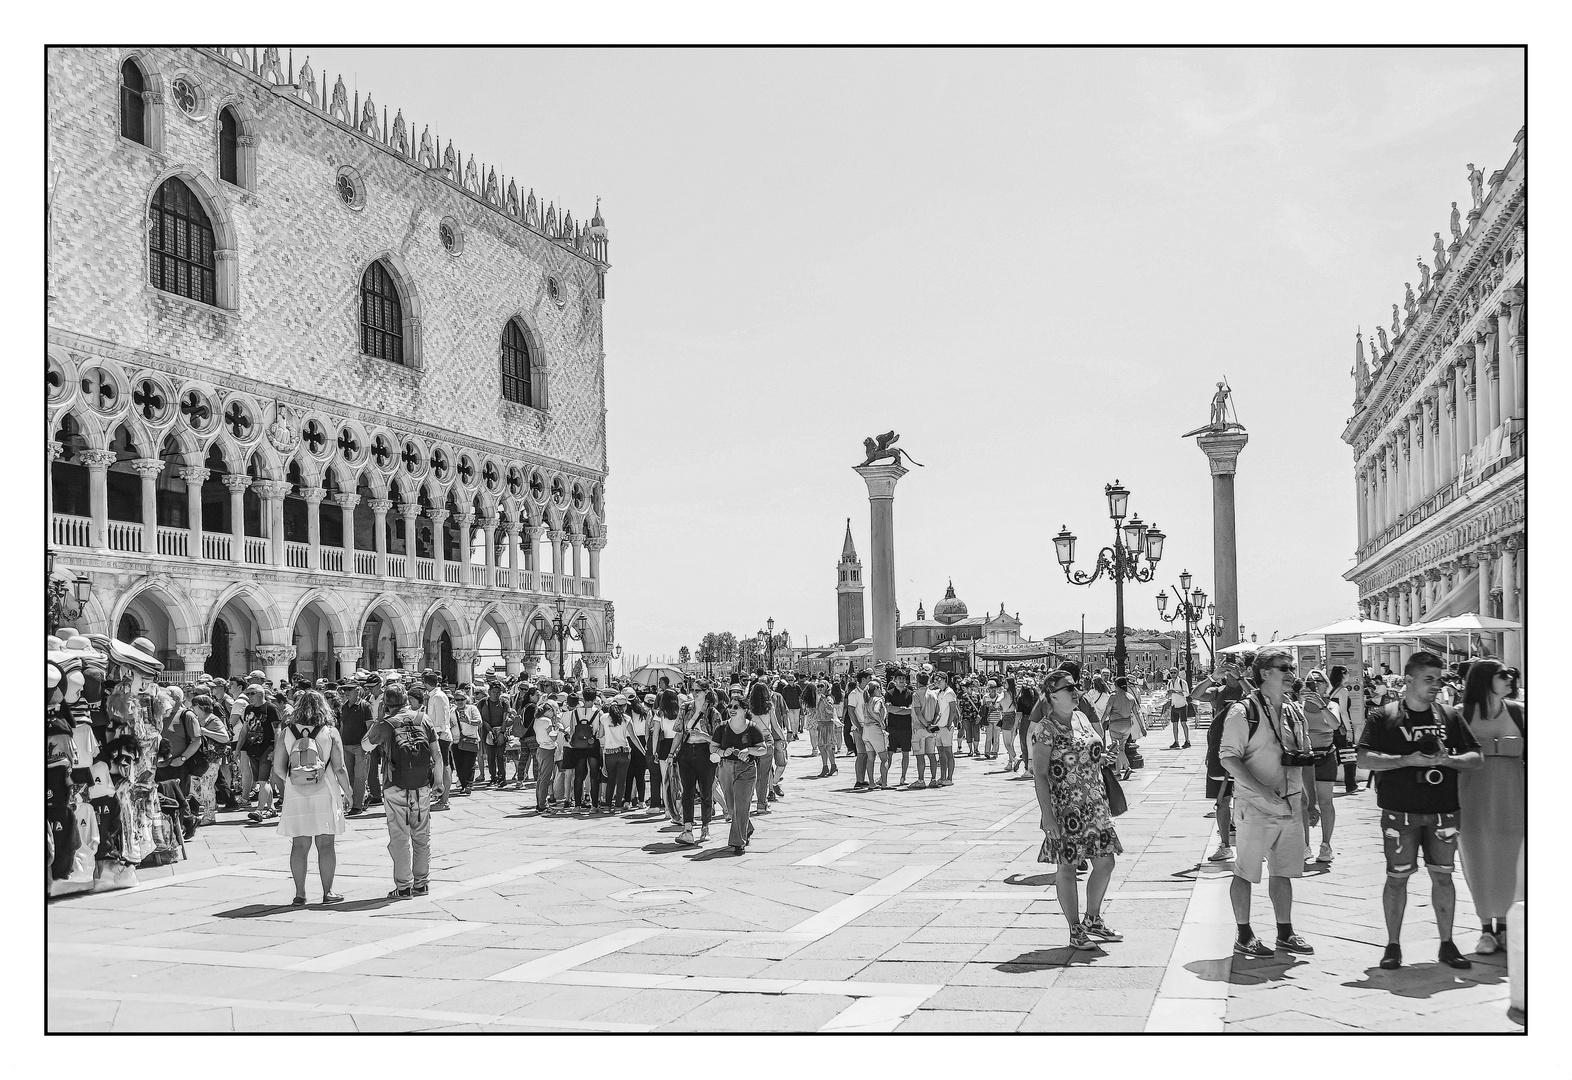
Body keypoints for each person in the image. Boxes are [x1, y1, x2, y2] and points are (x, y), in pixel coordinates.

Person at [1356, 651, 1483, 971]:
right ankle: (1393, 945)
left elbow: (1476, 759)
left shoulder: (1450, 716)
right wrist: (1406, 760)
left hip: (1443, 811)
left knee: (1443, 877)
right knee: (1396, 879)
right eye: (1429, 680)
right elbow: (1364, 759)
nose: (1436, 686)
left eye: (1438, 680)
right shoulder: (1384, 716)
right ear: (1409, 680)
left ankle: (1447, 943)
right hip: (1400, 812)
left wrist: (1448, 760)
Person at [1217, 647, 1317, 959]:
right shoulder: (1243, 711)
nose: (1291, 673)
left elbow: (1305, 756)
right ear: (1264, 673)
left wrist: (1309, 800)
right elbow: (1228, 757)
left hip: (1289, 806)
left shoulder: (1293, 711)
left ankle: (1285, 931)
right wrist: (1260, 789)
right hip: (1256, 807)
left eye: (1292, 667)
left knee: (1284, 871)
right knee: (1245, 871)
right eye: (1284, 667)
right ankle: (1244, 933)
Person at [1032, 669, 1124, 951]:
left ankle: (1093, 919)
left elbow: (1089, 753)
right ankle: (1074, 929)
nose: (1075, 690)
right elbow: (1040, 774)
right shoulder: (1045, 730)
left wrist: (1105, 757)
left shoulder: (1082, 718)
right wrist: (1047, 815)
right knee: (1068, 867)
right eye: (1068, 687)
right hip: (1066, 809)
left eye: (1076, 686)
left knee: (1106, 862)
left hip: (1095, 805)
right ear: (1052, 696)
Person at [1456, 659, 1525, 956]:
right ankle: (1486, 929)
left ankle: (1508, 927)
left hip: (1515, 796)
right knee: (1477, 858)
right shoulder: (1461, 715)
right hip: (1472, 798)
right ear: (1485, 679)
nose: (1510, 678)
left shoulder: (1519, 712)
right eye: (1503, 675)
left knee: (1513, 861)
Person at [363, 682, 444, 900]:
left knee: (399, 836)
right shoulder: (423, 719)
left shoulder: (386, 723)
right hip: (422, 786)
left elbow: (365, 745)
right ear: (407, 700)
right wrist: (438, 781)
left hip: (395, 786)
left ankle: (404, 886)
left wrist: (379, 719)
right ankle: (422, 882)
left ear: (386, 704)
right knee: (421, 835)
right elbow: (436, 754)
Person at [274, 689, 350, 905]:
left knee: (299, 845)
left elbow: (278, 769)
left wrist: (296, 779)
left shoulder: (286, 732)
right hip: (324, 792)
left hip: (296, 793)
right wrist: (349, 792)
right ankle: (328, 893)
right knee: (326, 844)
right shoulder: (330, 731)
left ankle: (300, 894)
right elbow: (340, 768)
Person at [1194, 658, 1250, 862]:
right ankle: (1225, 845)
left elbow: (1257, 697)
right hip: (1220, 750)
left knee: (1247, 800)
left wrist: (1240, 677)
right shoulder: (1218, 692)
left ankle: (1249, 845)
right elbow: (1196, 695)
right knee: (1222, 800)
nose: (1230, 672)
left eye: (1234, 669)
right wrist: (1212, 677)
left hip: (1246, 751)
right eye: (1227, 669)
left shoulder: (1247, 691)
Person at [1299, 669, 1347, 865]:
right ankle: (1304, 845)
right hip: (1304, 759)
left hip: (1325, 756)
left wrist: (1321, 706)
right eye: (1310, 681)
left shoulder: (1331, 704)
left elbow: (1335, 724)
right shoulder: (1297, 706)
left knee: (1326, 802)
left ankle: (1326, 845)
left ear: (1326, 685)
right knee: (1303, 802)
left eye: (1318, 681)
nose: (1314, 684)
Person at [717, 694, 769, 853]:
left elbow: (763, 749)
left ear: (744, 709)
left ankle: (738, 842)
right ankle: (747, 827)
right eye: (730, 706)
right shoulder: (722, 727)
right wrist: (722, 752)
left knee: (741, 805)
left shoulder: (752, 728)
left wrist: (748, 750)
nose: (731, 709)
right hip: (725, 768)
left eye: (735, 707)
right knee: (732, 807)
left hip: (746, 768)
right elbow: (713, 748)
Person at [672, 689, 720, 845]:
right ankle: (687, 829)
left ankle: (705, 828)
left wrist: (703, 736)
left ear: (706, 692)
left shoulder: (712, 712)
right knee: (687, 792)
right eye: (693, 690)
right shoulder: (685, 708)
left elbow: (718, 740)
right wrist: (671, 753)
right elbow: (679, 732)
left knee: (706, 791)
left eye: (698, 690)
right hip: (686, 752)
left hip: (705, 752)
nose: (695, 693)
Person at [242, 682, 282, 822]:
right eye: (248, 694)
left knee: (263, 780)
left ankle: (259, 810)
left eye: (252, 693)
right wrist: (238, 748)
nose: (249, 696)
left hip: (267, 747)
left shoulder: (271, 708)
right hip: (253, 748)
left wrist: (276, 749)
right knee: (263, 780)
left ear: (261, 694)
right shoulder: (248, 709)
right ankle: (271, 808)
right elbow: (245, 729)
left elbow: (277, 730)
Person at [336, 683, 374, 815]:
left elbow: (370, 727)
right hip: (346, 745)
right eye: (345, 690)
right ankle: (355, 801)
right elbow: (342, 726)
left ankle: (357, 805)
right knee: (349, 776)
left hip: (360, 746)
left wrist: (367, 746)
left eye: (350, 690)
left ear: (357, 691)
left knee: (359, 777)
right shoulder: (345, 707)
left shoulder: (365, 706)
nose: (346, 692)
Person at [1327, 666, 1362, 794]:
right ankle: (1351, 785)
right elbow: (1343, 711)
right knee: (1348, 756)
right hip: (1342, 726)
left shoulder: (1330, 691)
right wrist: (1349, 729)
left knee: (1335, 755)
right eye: (1347, 672)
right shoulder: (1342, 690)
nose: (1349, 674)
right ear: (1342, 674)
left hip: (1332, 726)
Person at [1103, 676, 1140, 780]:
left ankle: (1127, 767)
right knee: (1120, 748)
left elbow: (1106, 712)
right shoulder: (1130, 697)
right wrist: (1142, 728)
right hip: (1127, 726)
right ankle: (1118, 772)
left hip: (1115, 725)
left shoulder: (1113, 696)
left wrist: (1101, 723)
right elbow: (1136, 713)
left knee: (1117, 748)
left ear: (1117, 686)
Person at [478, 682, 513, 789]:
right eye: (493, 692)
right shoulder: (483, 703)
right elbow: (481, 718)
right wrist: (489, 731)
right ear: (489, 692)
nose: (495, 695)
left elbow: (505, 718)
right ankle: (493, 777)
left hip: (500, 730)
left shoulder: (504, 703)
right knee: (490, 756)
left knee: (501, 756)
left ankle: (502, 777)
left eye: (498, 692)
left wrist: (502, 733)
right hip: (487, 732)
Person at [531, 697, 563, 813]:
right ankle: (542, 805)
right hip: (548, 749)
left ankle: (539, 802)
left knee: (540, 777)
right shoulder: (547, 721)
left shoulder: (537, 719)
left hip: (540, 749)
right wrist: (558, 728)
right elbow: (553, 736)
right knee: (546, 778)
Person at [884, 669, 915, 785]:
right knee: (890, 753)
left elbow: (912, 710)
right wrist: (903, 709)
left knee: (906, 753)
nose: (901, 680)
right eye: (899, 678)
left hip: (906, 727)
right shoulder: (889, 693)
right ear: (895, 680)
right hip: (892, 727)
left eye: (903, 678)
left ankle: (903, 777)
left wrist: (897, 710)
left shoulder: (910, 693)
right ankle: (884, 777)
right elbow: (889, 709)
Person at [861, 676, 892, 789]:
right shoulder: (877, 700)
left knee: (870, 758)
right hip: (875, 729)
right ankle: (884, 783)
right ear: (876, 689)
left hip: (866, 730)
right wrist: (881, 721)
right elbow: (875, 710)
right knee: (884, 757)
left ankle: (871, 783)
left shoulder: (866, 700)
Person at [450, 688, 482, 796]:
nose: (459, 702)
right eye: (457, 699)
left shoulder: (472, 709)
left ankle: (468, 784)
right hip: (456, 741)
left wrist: (468, 721)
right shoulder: (452, 711)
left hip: (470, 739)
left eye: (462, 699)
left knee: (469, 764)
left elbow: (479, 722)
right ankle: (464, 785)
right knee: (459, 765)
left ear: (466, 699)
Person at [931, 670, 958, 786]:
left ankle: (949, 777)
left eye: (939, 680)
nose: (937, 682)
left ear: (945, 680)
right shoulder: (938, 692)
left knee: (948, 752)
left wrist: (949, 723)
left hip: (946, 727)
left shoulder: (949, 693)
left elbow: (953, 709)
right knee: (940, 753)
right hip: (938, 726)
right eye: (935, 679)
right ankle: (942, 777)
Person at [807, 677, 837, 778]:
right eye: (818, 686)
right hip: (821, 724)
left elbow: (830, 710)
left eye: (822, 686)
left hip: (827, 724)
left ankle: (829, 767)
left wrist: (824, 699)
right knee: (823, 747)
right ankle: (829, 766)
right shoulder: (818, 698)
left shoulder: (828, 698)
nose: (819, 688)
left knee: (827, 747)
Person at [1165, 668, 1194, 749]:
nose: (1173, 674)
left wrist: (1176, 692)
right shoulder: (1169, 683)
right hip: (1174, 705)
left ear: (1177, 673)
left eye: (1174, 672)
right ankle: (1176, 741)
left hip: (1182, 705)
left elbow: (1187, 693)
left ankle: (1187, 741)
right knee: (1174, 724)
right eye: (1171, 673)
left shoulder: (1182, 682)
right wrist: (1168, 694)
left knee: (1183, 723)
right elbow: (1168, 695)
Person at [981, 679, 1004, 759]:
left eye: (994, 688)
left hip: (997, 718)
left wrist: (997, 708)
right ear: (988, 689)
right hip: (988, 719)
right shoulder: (985, 697)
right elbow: (983, 708)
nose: (993, 689)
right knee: (988, 737)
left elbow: (1002, 707)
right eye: (991, 688)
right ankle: (987, 752)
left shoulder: (1000, 696)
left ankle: (995, 751)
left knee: (996, 736)